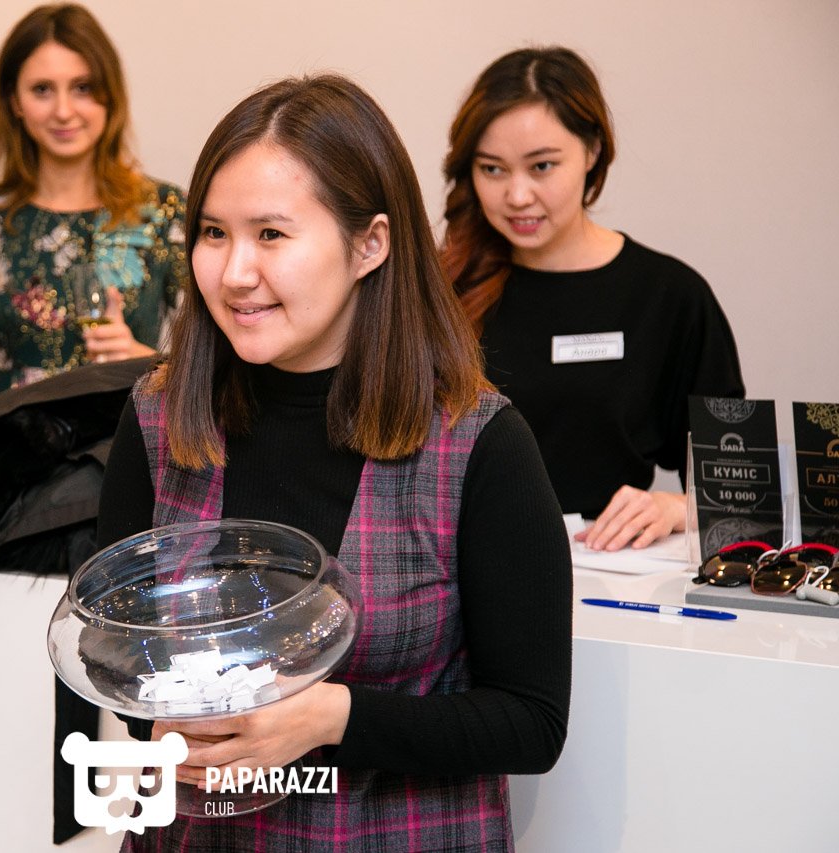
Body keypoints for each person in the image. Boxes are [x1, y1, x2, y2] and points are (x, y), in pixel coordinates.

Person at [97, 74, 571, 851]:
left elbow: (531, 721)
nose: (235, 271)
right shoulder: (160, 417)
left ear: (369, 244)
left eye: (270, 234)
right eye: (213, 232)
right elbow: (118, 650)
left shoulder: (476, 442)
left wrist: (332, 718)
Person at [442, 46, 745, 552]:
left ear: (592, 152)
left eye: (542, 166)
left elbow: (737, 484)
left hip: (608, 569)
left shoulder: (668, 296)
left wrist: (677, 507)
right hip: (463, 569)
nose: (517, 196)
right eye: (492, 169)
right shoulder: (442, 291)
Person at [0, 3, 187, 434]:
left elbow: (216, 372)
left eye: (82, 87)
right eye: (42, 89)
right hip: (1, 459)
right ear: (14, 102)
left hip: (119, 456)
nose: (63, 110)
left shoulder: (164, 214)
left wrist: (142, 361)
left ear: (111, 94)